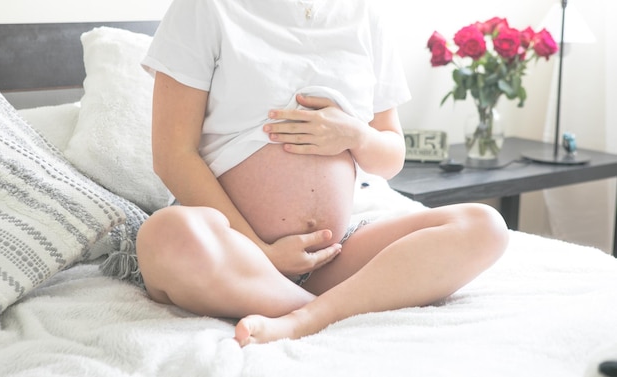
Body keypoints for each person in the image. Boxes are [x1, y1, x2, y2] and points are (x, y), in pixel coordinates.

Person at [137, 0, 509, 347]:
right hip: (232, 253)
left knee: (484, 226)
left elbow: (391, 157)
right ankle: (334, 307)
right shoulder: (206, 7)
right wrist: (262, 251)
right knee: (165, 235)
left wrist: (355, 135)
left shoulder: (365, 15)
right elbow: (173, 154)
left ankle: (308, 317)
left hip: (332, 255)